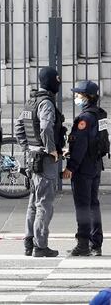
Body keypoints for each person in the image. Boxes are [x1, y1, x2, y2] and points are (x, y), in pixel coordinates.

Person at [14, 66, 66, 257]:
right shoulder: (46, 103)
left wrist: (27, 147)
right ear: (51, 81)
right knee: (44, 204)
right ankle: (41, 246)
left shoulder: (31, 102)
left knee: (33, 202)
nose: (59, 82)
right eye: (57, 79)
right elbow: (45, 127)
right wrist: (51, 149)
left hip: (32, 158)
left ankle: (29, 242)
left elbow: (19, 127)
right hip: (44, 159)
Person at [63, 80, 106, 256]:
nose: (75, 97)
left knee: (83, 206)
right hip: (96, 164)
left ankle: (82, 244)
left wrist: (71, 167)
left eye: (78, 94)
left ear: (87, 97)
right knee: (93, 204)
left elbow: (80, 145)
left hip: (84, 167)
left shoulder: (84, 119)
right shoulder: (100, 114)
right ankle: (96, 243)